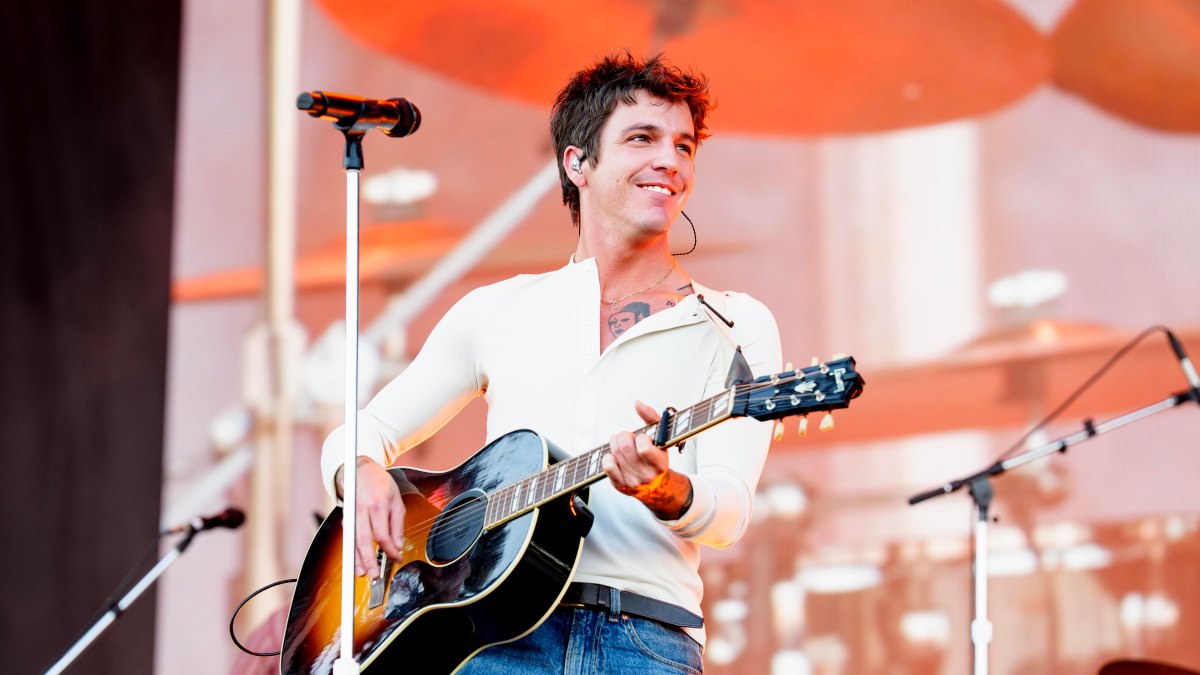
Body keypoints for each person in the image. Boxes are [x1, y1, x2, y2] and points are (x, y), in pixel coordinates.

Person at [320, 51, 782, 673]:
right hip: (492, 642)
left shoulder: (732, 323)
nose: (669, 161)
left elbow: (729, 512)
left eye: (684, 145)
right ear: (578, 163)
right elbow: (363, 432)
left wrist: (664, 489)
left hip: (645, 641)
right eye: (642, 138)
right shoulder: (499, 309)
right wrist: (362, 472)